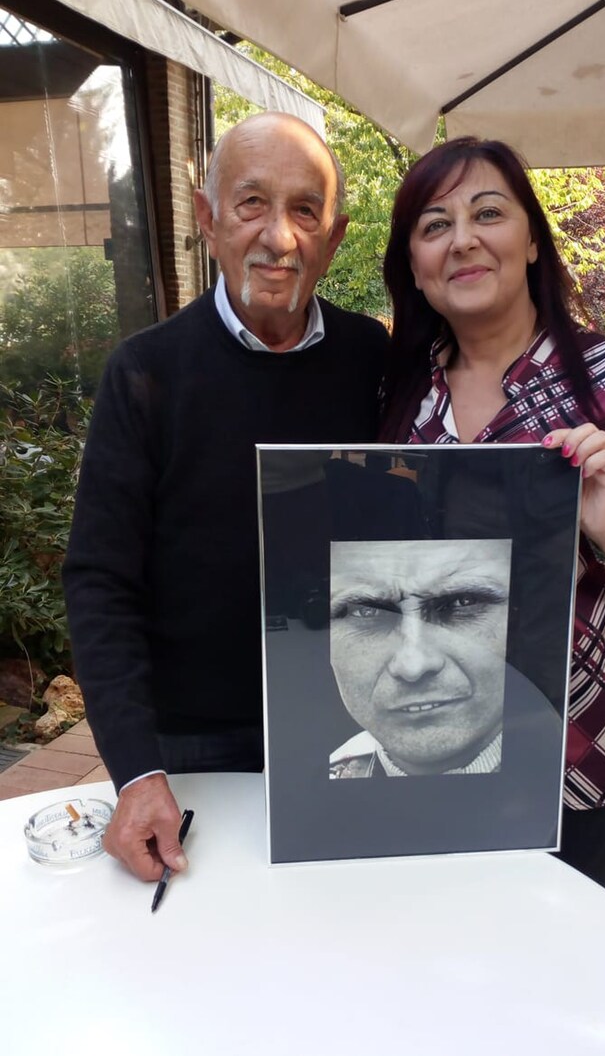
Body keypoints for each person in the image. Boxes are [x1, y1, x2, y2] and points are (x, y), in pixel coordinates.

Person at [62, 112, 389, 882]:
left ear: (334, 237)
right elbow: (99, 578)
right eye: (251, 204)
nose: (278, 238)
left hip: (344, 722)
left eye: (305, 210)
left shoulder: (372, 362)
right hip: (188, 742)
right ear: (206, 219)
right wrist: (137, 768)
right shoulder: (145, 373)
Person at [379, 137, 605, 889]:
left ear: (530, 240)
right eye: (433, 226)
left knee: (555, 986)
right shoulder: (396, 396)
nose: (462, 239)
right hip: (417, 742)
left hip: (566, 756)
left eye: (487, 213)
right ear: (417, 270)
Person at [328, 537, 512, 777]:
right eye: (366, 612)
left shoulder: (562, 780)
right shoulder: (302, 787)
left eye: (462, 603)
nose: (413, 666)